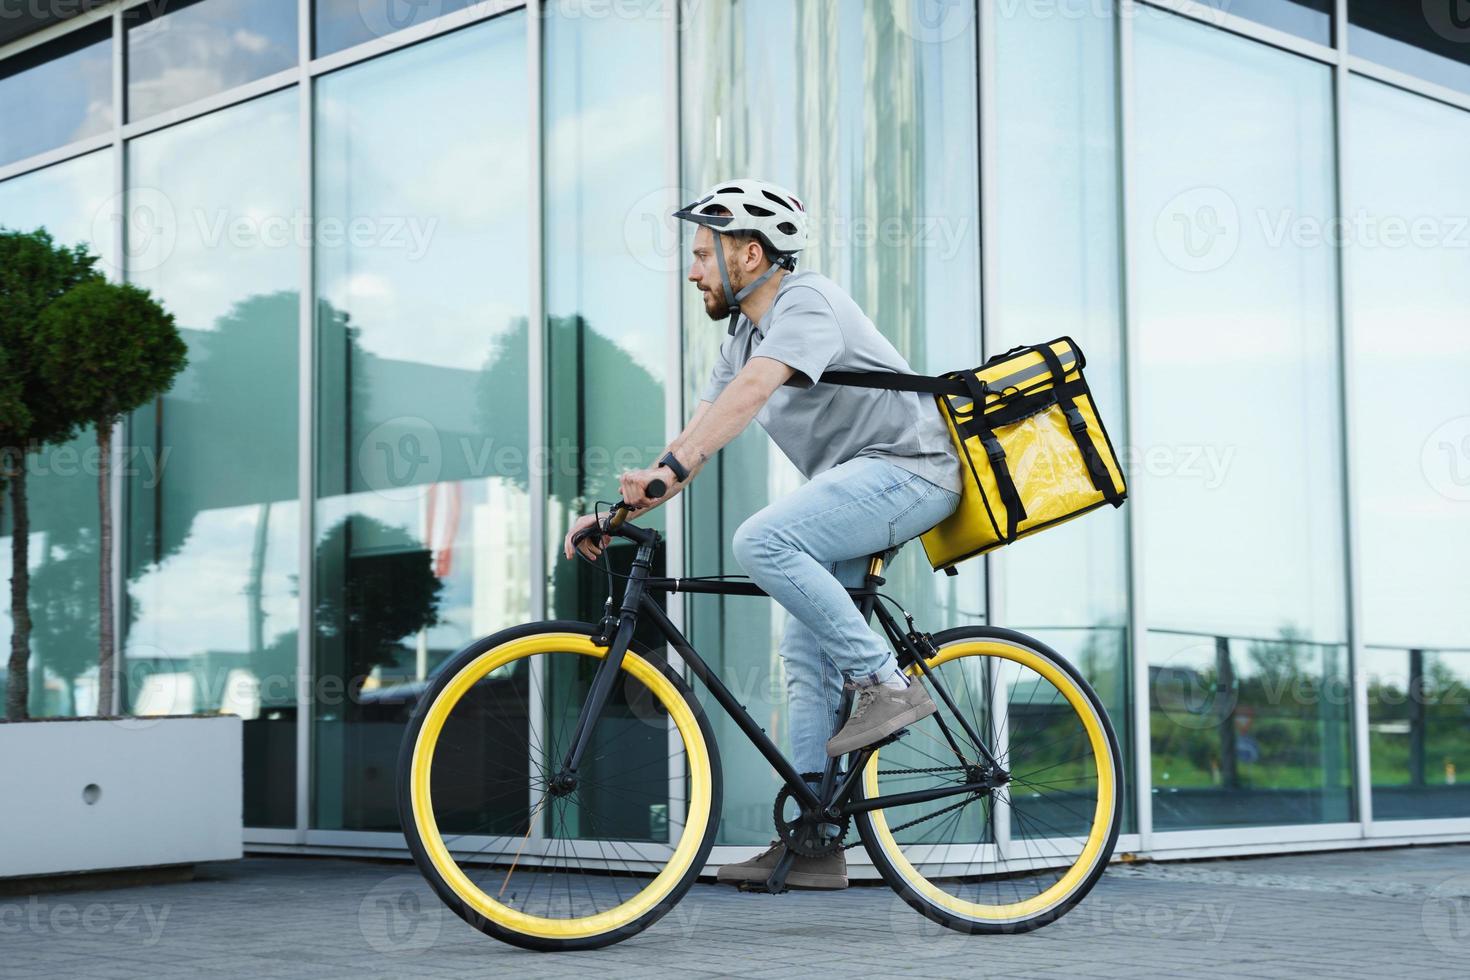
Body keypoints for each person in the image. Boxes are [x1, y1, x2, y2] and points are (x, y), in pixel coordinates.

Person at [562, 179, 961, 890]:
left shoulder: (804, 303)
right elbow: (695, 438)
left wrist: (672, 468)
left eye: (701, 255)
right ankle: (815, 840)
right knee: (804, 656)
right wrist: (620, 513)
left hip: (913, 470)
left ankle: (885, 684)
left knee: (763, 541)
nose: (691, 272)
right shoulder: (742, 335)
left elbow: (753, 394)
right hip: (858, 483)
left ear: (749, 252)